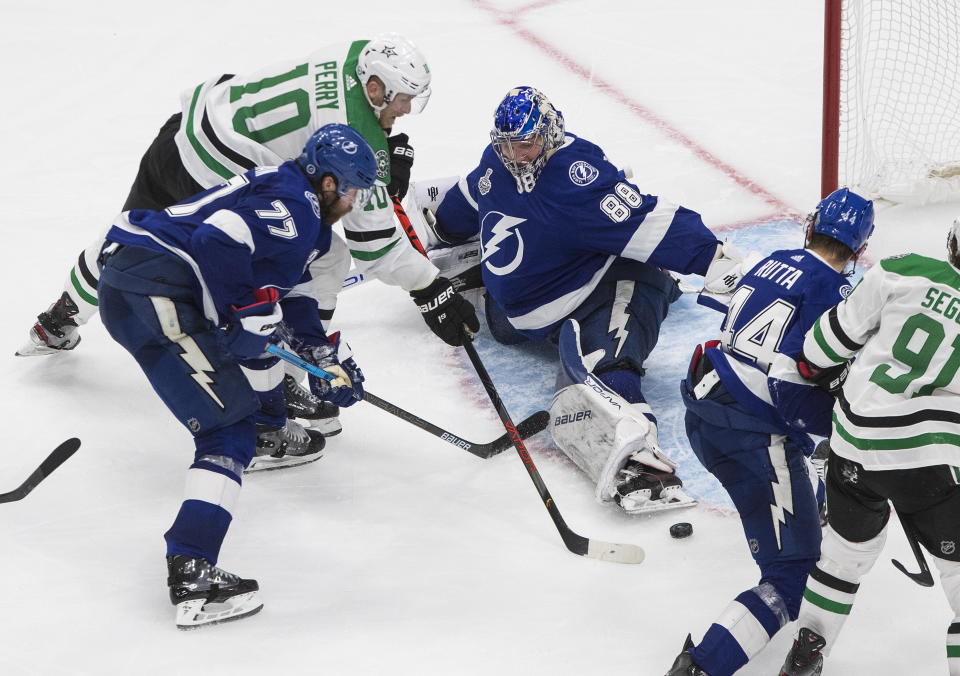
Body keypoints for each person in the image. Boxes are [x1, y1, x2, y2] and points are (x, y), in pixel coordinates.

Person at [18, 34, 479, 426]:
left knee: (129, 237)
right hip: (218, 173)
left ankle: (58, 318)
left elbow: (324, 128)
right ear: (375, 88)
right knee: (324, 258)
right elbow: (373, 245)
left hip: (186, 133)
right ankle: (287, 383)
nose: (407, 109)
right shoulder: (352, 118)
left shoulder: (360, 53)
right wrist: (429, 287)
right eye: (402, 100)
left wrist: (377, 157)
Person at [406, 86, 752, 514]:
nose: (515, 154)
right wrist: (714, 259)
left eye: (525, 143)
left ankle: (659, 281)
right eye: (507, 144)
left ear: (548, 134)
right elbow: (649, 221)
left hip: (507, 317)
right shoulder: (571, 176)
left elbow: (458, 208)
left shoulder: (526, 166)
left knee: (612, 243)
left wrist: (432, 229)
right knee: (637, 287)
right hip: (563, 305)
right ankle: (637, 461)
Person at [97, 123, 375, 628]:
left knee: (254, 340)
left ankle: (269, 428)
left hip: (132, 283)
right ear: (329, 183)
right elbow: (219, 236)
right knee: (226, 430)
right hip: (158, 286)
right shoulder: (297, 208)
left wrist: (320, 354)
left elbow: (286, 298)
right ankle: (193, 569)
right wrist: (245, 309)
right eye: (353, 188)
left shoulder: (291, 198)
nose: (354, 202)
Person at [664, 188, 876, 676]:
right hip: (751, 434)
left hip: (704, 410)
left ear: (812, 227)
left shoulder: (774, 261)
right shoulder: (840, 294)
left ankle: (813, 500)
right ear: (858, 249)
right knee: (792, 573)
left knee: (804, 485)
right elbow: (799, 374)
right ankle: (701, 666)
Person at [776, 219, 960, 675]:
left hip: (852, 445)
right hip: (929, 462)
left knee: (842, 557)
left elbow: (818, 351)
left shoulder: (903, 269)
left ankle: (806, 651)